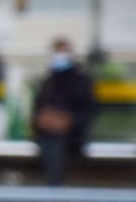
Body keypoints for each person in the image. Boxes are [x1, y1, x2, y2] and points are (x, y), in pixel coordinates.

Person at [31, 36, 97, 187]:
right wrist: (42, 120)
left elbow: (90, 109)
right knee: (50, 145)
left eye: (63, 52)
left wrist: (69, 120)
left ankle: (55, 190)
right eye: (57, 53)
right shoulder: (48, 80)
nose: (59, 57)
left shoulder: (80, 80)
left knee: (57, 148)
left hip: (71, 136)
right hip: (46, 134)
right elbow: (37, 109)